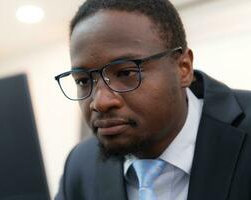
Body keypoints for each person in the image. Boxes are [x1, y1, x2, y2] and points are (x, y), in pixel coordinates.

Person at [54, 0, 251, 199]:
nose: (100, 102)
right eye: (83, 81)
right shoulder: (80, 165)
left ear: (183, 68)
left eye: (125, 72)